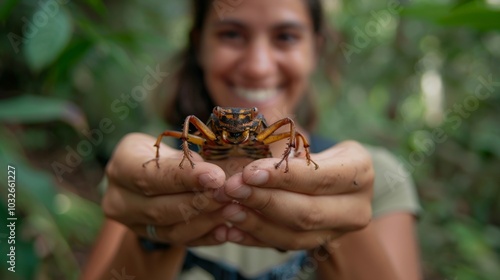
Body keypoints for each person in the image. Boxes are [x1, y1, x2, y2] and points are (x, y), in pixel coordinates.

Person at [81, 0, 422, 279]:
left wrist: (341, 225)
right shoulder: (143, 178)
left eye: (286, 37)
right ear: (199, 45)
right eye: (232, 34)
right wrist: (154, 231)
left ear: (316, 50)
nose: (258, 67)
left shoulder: (380, 176)